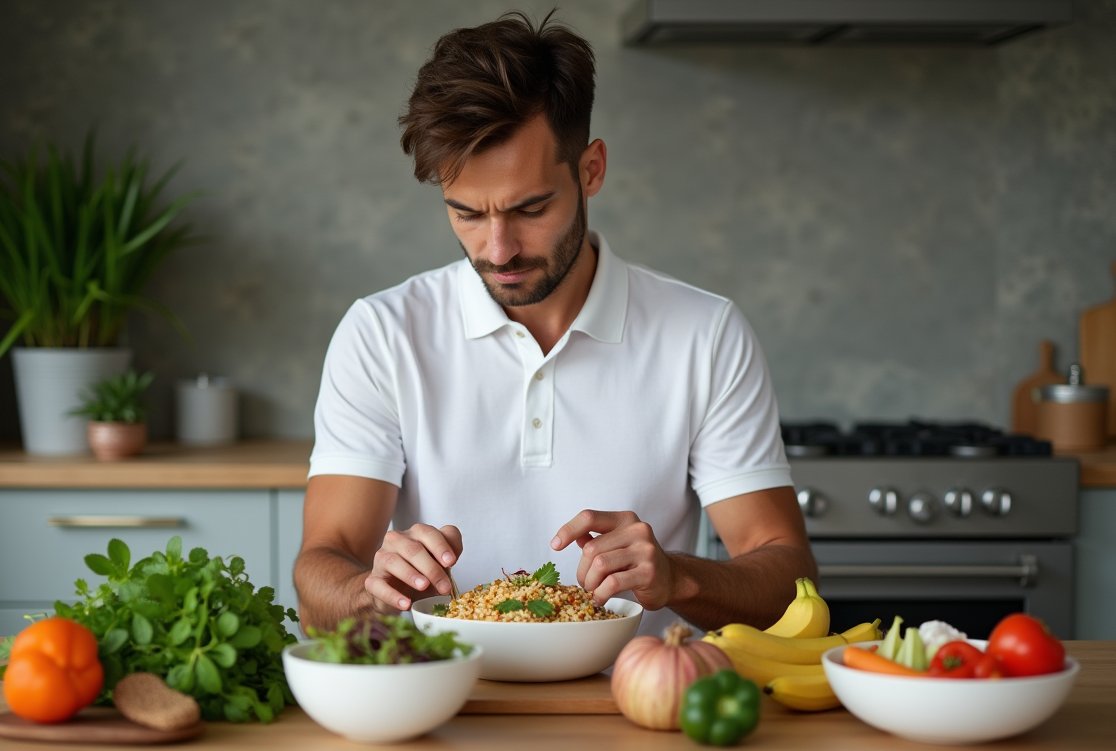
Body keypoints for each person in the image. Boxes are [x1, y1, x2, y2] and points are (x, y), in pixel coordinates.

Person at [295, 11, 816, 637]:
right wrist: (365, 591)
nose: (498, 249)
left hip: (635, 710)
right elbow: (319, 570)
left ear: (590, 170)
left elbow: (790, 579)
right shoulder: (381, 334)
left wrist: (678, 578)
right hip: (442, 702)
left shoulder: (705, 335)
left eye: (530, 208)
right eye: (465, 213)